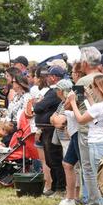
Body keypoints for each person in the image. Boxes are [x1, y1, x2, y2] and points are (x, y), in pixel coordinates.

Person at [67, 74, 103, 205]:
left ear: (99, 88)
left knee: (101, 179)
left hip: (96, 143)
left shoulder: (99, 107)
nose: (92, 89)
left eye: (93, 87)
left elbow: (81, 119)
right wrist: (88, 98)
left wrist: (72, 102)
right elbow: (96, 119)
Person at [34, 66, 67, 196]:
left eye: (49, 76)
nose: (46, 78)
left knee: (55, 159)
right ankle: (54, 186)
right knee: (50, 160)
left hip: (52, 130)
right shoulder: (51, 92)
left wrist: (38, 104)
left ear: (54, 77)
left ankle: (60, 187)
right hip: (47, 129)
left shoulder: (54, 92)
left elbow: (38, 107)